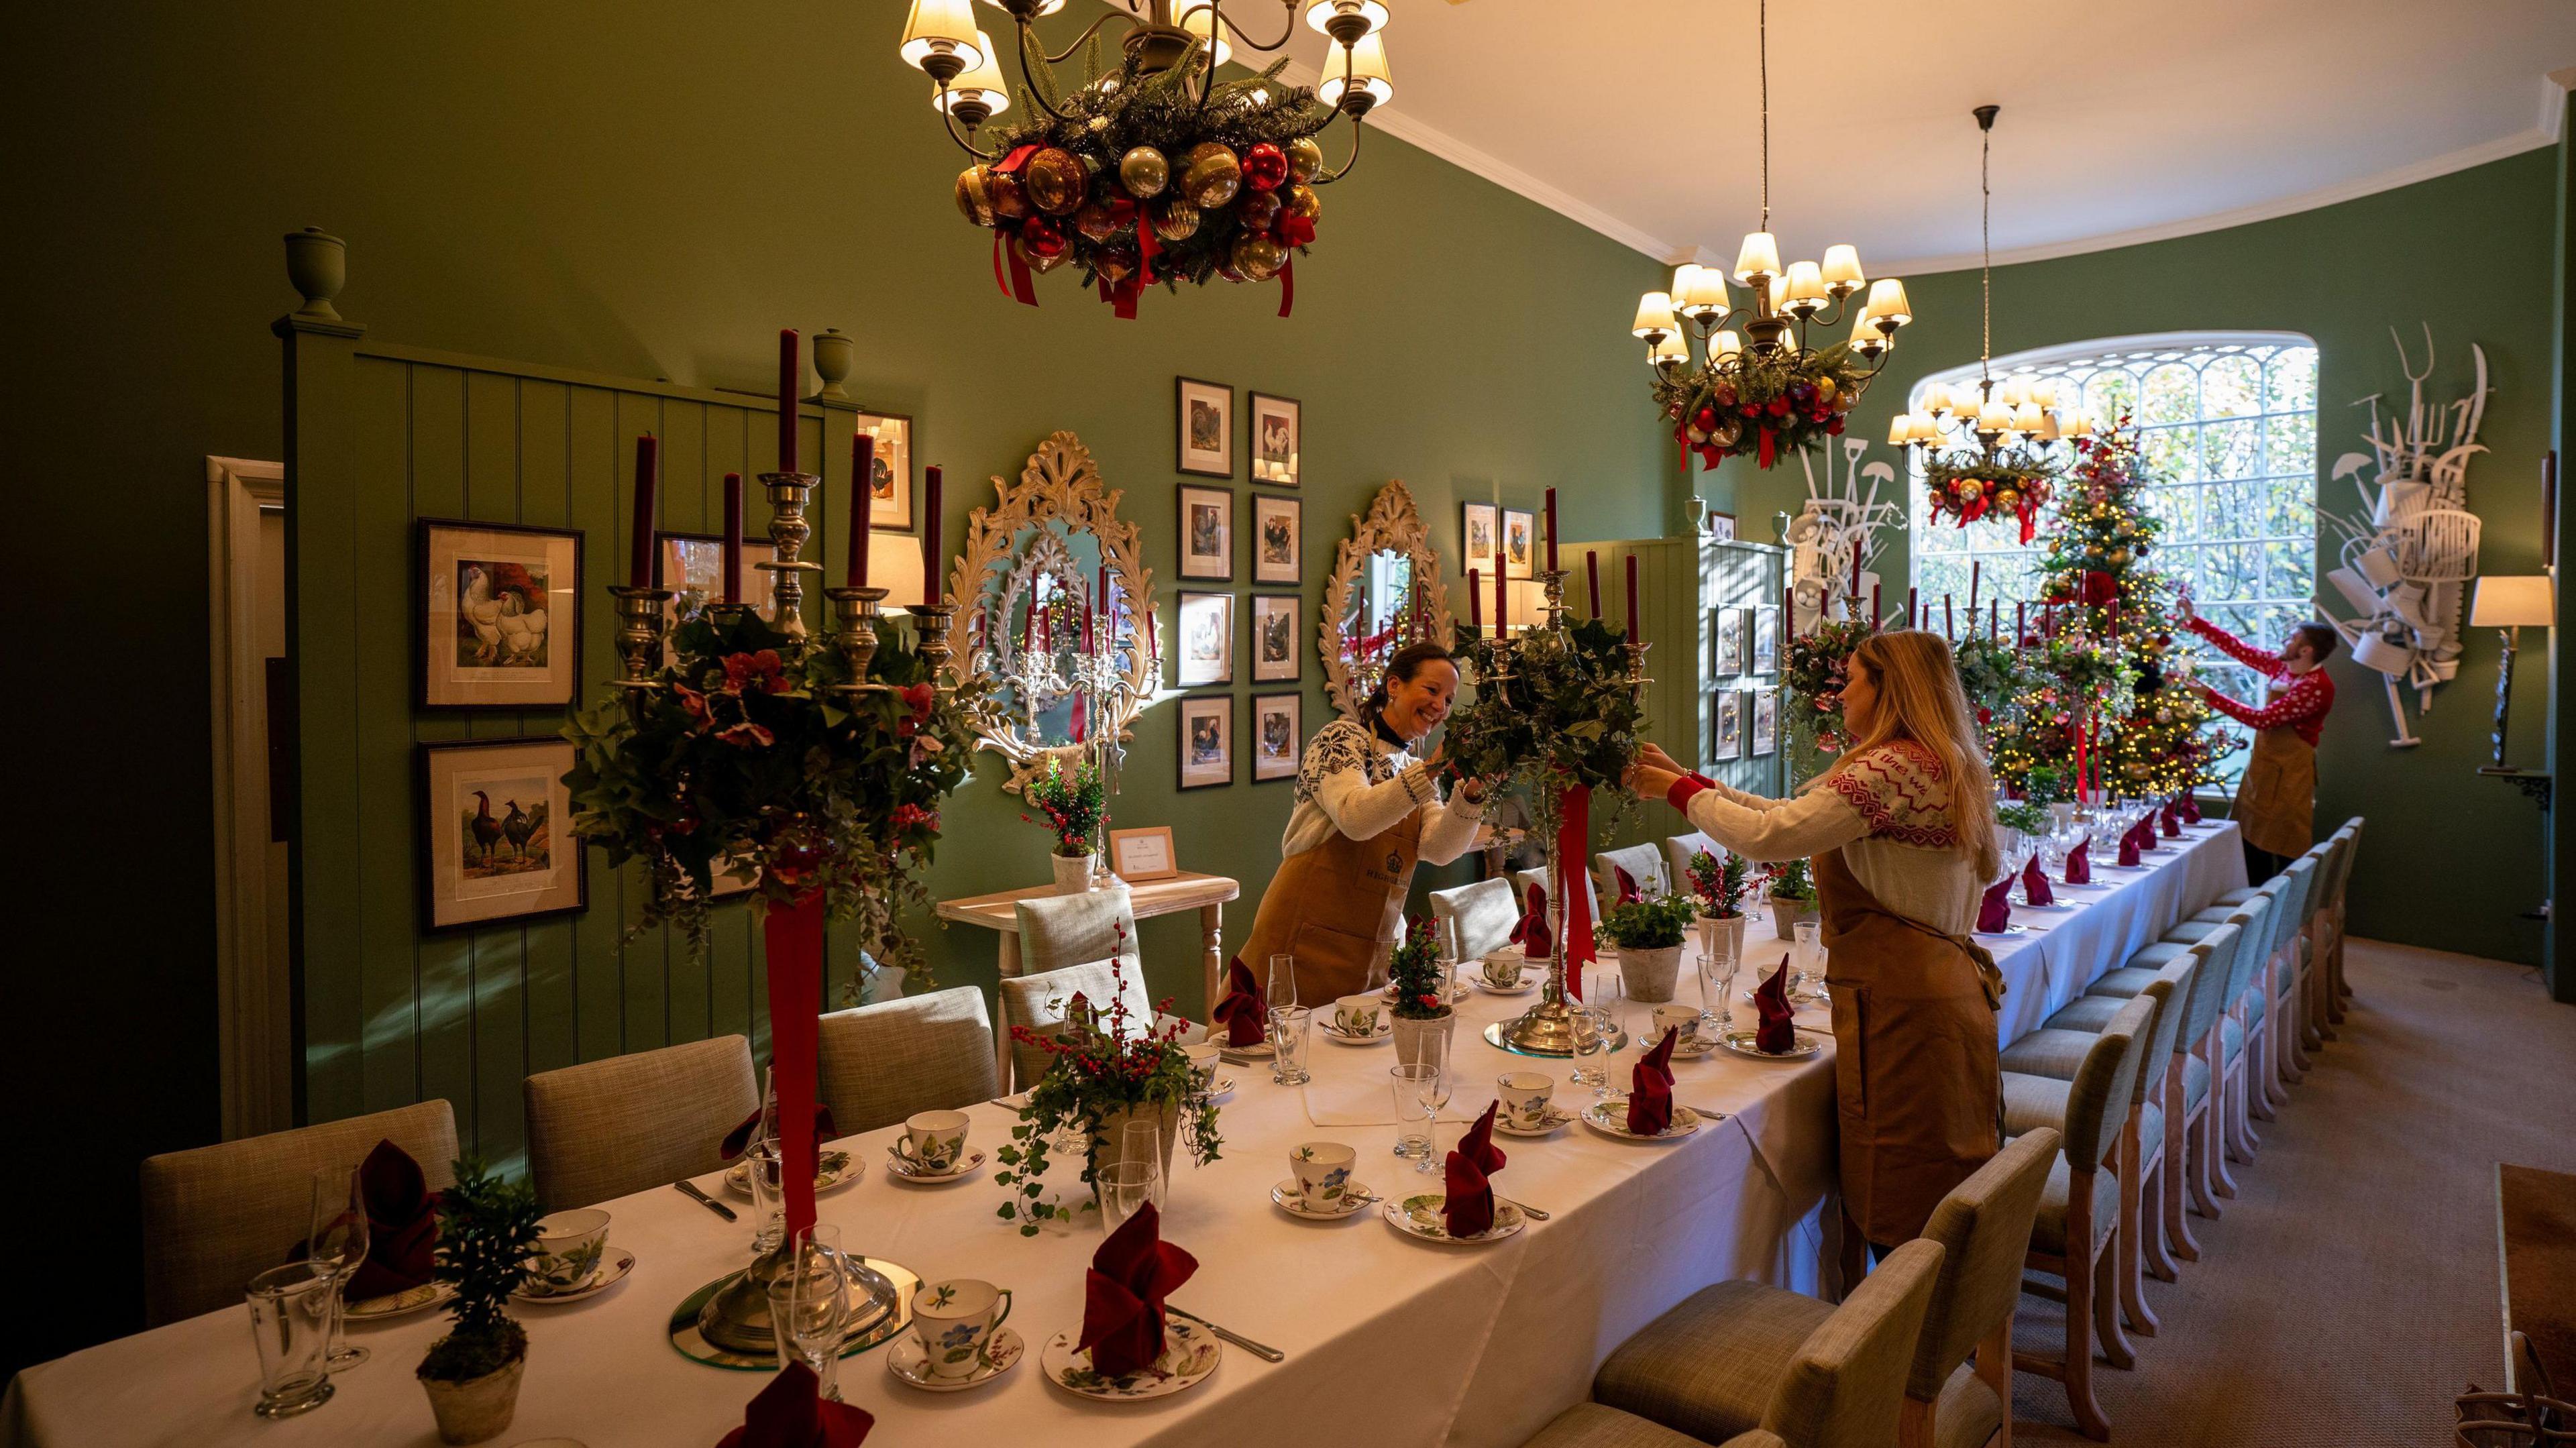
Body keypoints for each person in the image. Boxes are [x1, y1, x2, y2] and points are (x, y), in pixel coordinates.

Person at [1625, 629, 2006, 1256]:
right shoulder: (1939, 760)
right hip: (1941, 995)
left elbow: (1770, 837)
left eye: (1853, 678)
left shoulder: (1894, 766)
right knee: (1939, 1182)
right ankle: (1932, 1331)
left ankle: (1897, 1343)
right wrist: (1686, 780)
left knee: (1905, 1197)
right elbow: (1786, 816)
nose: (1842, 692)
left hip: (1905, 1006)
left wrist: (1678, 791)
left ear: (1888, 688)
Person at [1234, 642, 1488, 1007]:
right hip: (1300, 940)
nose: (1440, 707)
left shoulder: (1407, 764)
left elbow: (1438, 848)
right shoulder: (1339, 740)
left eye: (1448, 700)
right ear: (1394, 685)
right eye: (1432, 690)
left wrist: (1472, 795)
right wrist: (1431, 769)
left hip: (1366, 954)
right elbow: (1355, 817)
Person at [2180, 597, 2337, 883]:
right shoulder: (2283, 668)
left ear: (2306, 649)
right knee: (2251, 840)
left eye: (2292, 637)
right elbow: (2241, 651)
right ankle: (2251, 907)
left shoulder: (2317, 687)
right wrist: (2196, 622)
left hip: (2290, 774)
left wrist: (2209, 696)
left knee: (2284, 843)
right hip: (2264, 769)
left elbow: (2262, 720)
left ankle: (2277, 912)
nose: (2285, 639)